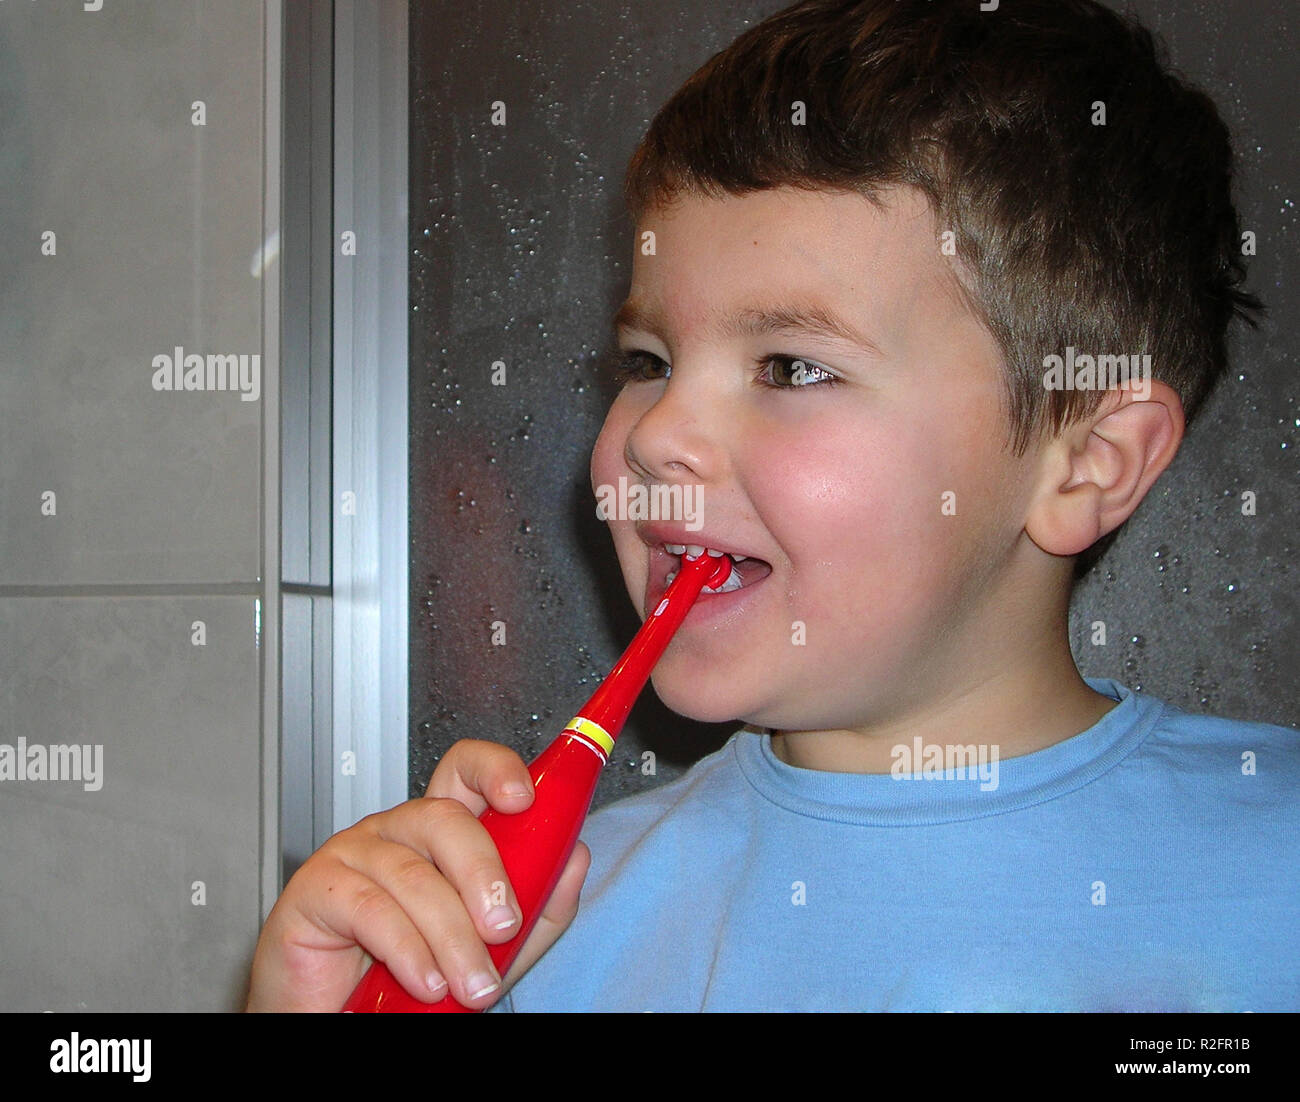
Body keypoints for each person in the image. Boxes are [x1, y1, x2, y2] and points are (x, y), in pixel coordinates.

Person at [245, 0, 1297, 1012]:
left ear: (1087, 464)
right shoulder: (539, 930)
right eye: (649, 360)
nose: (653, 435)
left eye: (791, 366)